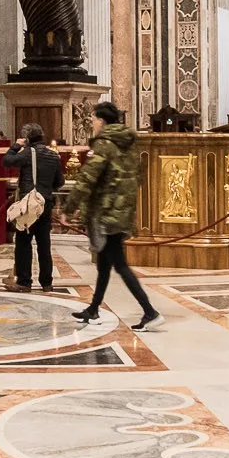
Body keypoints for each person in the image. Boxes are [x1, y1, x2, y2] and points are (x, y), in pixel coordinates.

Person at [66, 101, 156, 328]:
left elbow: (88, 177)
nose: (92, 124)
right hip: (121, 210)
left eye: (94, 119)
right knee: (104, 265)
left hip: (107, 213)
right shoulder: (127, 145)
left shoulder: (105, 144)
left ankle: (150, 312)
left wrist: (69, 207)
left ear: (102, 121)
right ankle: (94, 309)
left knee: (120, 265)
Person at [3, 123, 63, 292]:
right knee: (44, 244)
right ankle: (47, 283)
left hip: (29, 205)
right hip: (45, 204)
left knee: (23, 243)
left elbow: (6, 161)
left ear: (27, 138)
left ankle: (24, 282)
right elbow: (60, 182)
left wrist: (16, 146)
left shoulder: (28, 154)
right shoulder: (53, 156)